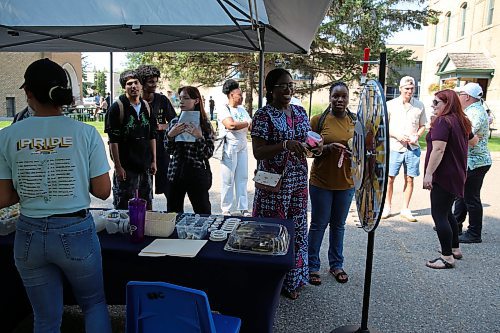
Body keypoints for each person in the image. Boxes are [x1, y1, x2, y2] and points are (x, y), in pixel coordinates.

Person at [0, 58, 112, 332]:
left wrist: (32, 188)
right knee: (94, 304)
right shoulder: (85, 133)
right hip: (75, 230)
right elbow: (103, 191)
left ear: (28, 93)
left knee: (45, 319)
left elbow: (2, 199)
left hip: (28, 234)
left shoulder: (8, 136)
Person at [251, 68, 310, 300]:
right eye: (282, 86)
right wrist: (284, 144)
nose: (288, 90)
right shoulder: (263, 115)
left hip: (297, 180)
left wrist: (318, 146)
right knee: (272, 231)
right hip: (272, 183)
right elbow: (258, 152)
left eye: (291, 85)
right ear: (270, 90)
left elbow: (306, 141)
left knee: (297, 229)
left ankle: (293, 280)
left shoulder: (299, 111)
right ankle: (269, 281)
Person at [308, 82, 355, 285]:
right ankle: (312, 266)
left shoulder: (355, 121)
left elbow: (365, 149)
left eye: (343, 96)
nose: (339, 100)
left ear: (348, 98)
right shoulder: (318, 121)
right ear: (330, 97)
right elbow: (308, 151)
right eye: (336, 96)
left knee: (339, 225)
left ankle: (336, 265)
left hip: (347, 182)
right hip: (321, 182)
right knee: (318, 224)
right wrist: (326, 148)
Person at [423, 89, 473, 269]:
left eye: (436, 102)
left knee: (439, 215)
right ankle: (455, 249)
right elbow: (473, 142)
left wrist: (428, 174)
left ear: (447, 104)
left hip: (444, 175)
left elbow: (438, 149)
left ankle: (447, 257)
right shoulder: (462, 121)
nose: (433, 105)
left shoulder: (444, 121)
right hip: (457, 173)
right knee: (447, 212)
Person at [105, 69, 157, 210]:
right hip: (126, 168)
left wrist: (154, 161)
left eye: (136, 82)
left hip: (144, 166)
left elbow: (152, 135)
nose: (133, 86)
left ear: (141, 85)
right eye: (129, 84)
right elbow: (113, 141)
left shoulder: (147, 106)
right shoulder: (117, 108)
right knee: (124, 206)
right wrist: (118, 166)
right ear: (124, 87)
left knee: (146, 204)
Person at [382, 76, 426, 222]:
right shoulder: (390, 105)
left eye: (412, 88)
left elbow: (423, 125)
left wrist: (417, 136)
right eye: (407, 88)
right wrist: (398, 135)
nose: (409, 91)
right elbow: (384, 126)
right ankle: (387, 206)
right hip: (395, 146)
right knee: (390, 178)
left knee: (410, 178)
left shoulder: (419, 105)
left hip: (412, 147)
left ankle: (405, 208)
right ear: (400, 88)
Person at [165, 86, 215, 214]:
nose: (181, 102)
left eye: (186, 98)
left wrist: (199, 137)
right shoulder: (175, 122)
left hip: (196, 172)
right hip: (175, 172)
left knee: (203, 211)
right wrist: (170, 135)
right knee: (173, 213)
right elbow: (168, 150)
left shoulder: (204, 124)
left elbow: (208, 153)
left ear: (196, 101)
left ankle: (202, 234)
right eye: (180, 98)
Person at [454, 83, 492, 243]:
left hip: (476, 162)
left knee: (471, 198)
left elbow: (467, 136)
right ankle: (455, 224)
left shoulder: (475, 112)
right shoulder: (471, 110)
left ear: (467, 96)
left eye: (460, 94)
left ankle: (474, 233)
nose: (458, 96)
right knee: (461, 195)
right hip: (471, 161)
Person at [136, 65, 177, 206]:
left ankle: (173, 216)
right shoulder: (135, 102)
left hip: (161, 150)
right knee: (144, 191)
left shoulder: (162, 100)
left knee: (169, 187)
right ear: (141, 83)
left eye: (155, 81)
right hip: (142, 152)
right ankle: (146, 219)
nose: (154, 85)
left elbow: (174, 121)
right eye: (150, 82)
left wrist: (161, 126)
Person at [218, 79, 252, 216]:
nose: (242, 97)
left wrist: (245, 123)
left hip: (242, 146)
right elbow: (230, 125)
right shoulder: (224, 109)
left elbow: (250, 125)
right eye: (239, 95)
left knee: (242, 177)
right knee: (228, 179)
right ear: (231, 95)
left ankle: (243, 207)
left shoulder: (242, 109)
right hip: (229, 147)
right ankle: (226, 208)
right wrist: (247, 123)